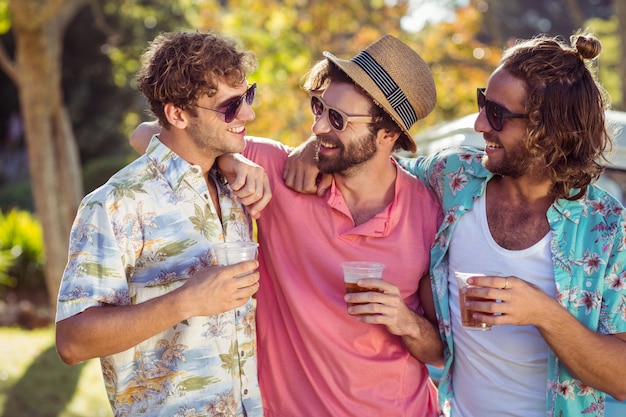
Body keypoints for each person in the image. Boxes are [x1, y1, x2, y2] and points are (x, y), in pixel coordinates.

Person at [285, 31, 626, 417]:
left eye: (497, 114)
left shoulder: (607, 229)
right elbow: (373, 159)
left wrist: (542, 313)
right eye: (484, 103)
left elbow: (620, 379)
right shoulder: (455, 176)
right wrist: (312, 149)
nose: (481, 124)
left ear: (548, 131)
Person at [131, 34, 444, 416]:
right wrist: (229, 159)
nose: (317, 128)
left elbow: (441, 352)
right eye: (319, 108)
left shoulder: (429, 213)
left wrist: (405, 321)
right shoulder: (276, 172)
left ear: (388, 134)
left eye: (338, 119)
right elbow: (149, 133)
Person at [55, 31, 270, 417]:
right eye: (231, 106)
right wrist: (186, 301)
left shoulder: (235, 187)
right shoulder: (115, 204)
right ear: (177, 114)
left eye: (247, 97)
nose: (249, 115)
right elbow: (71, 342)